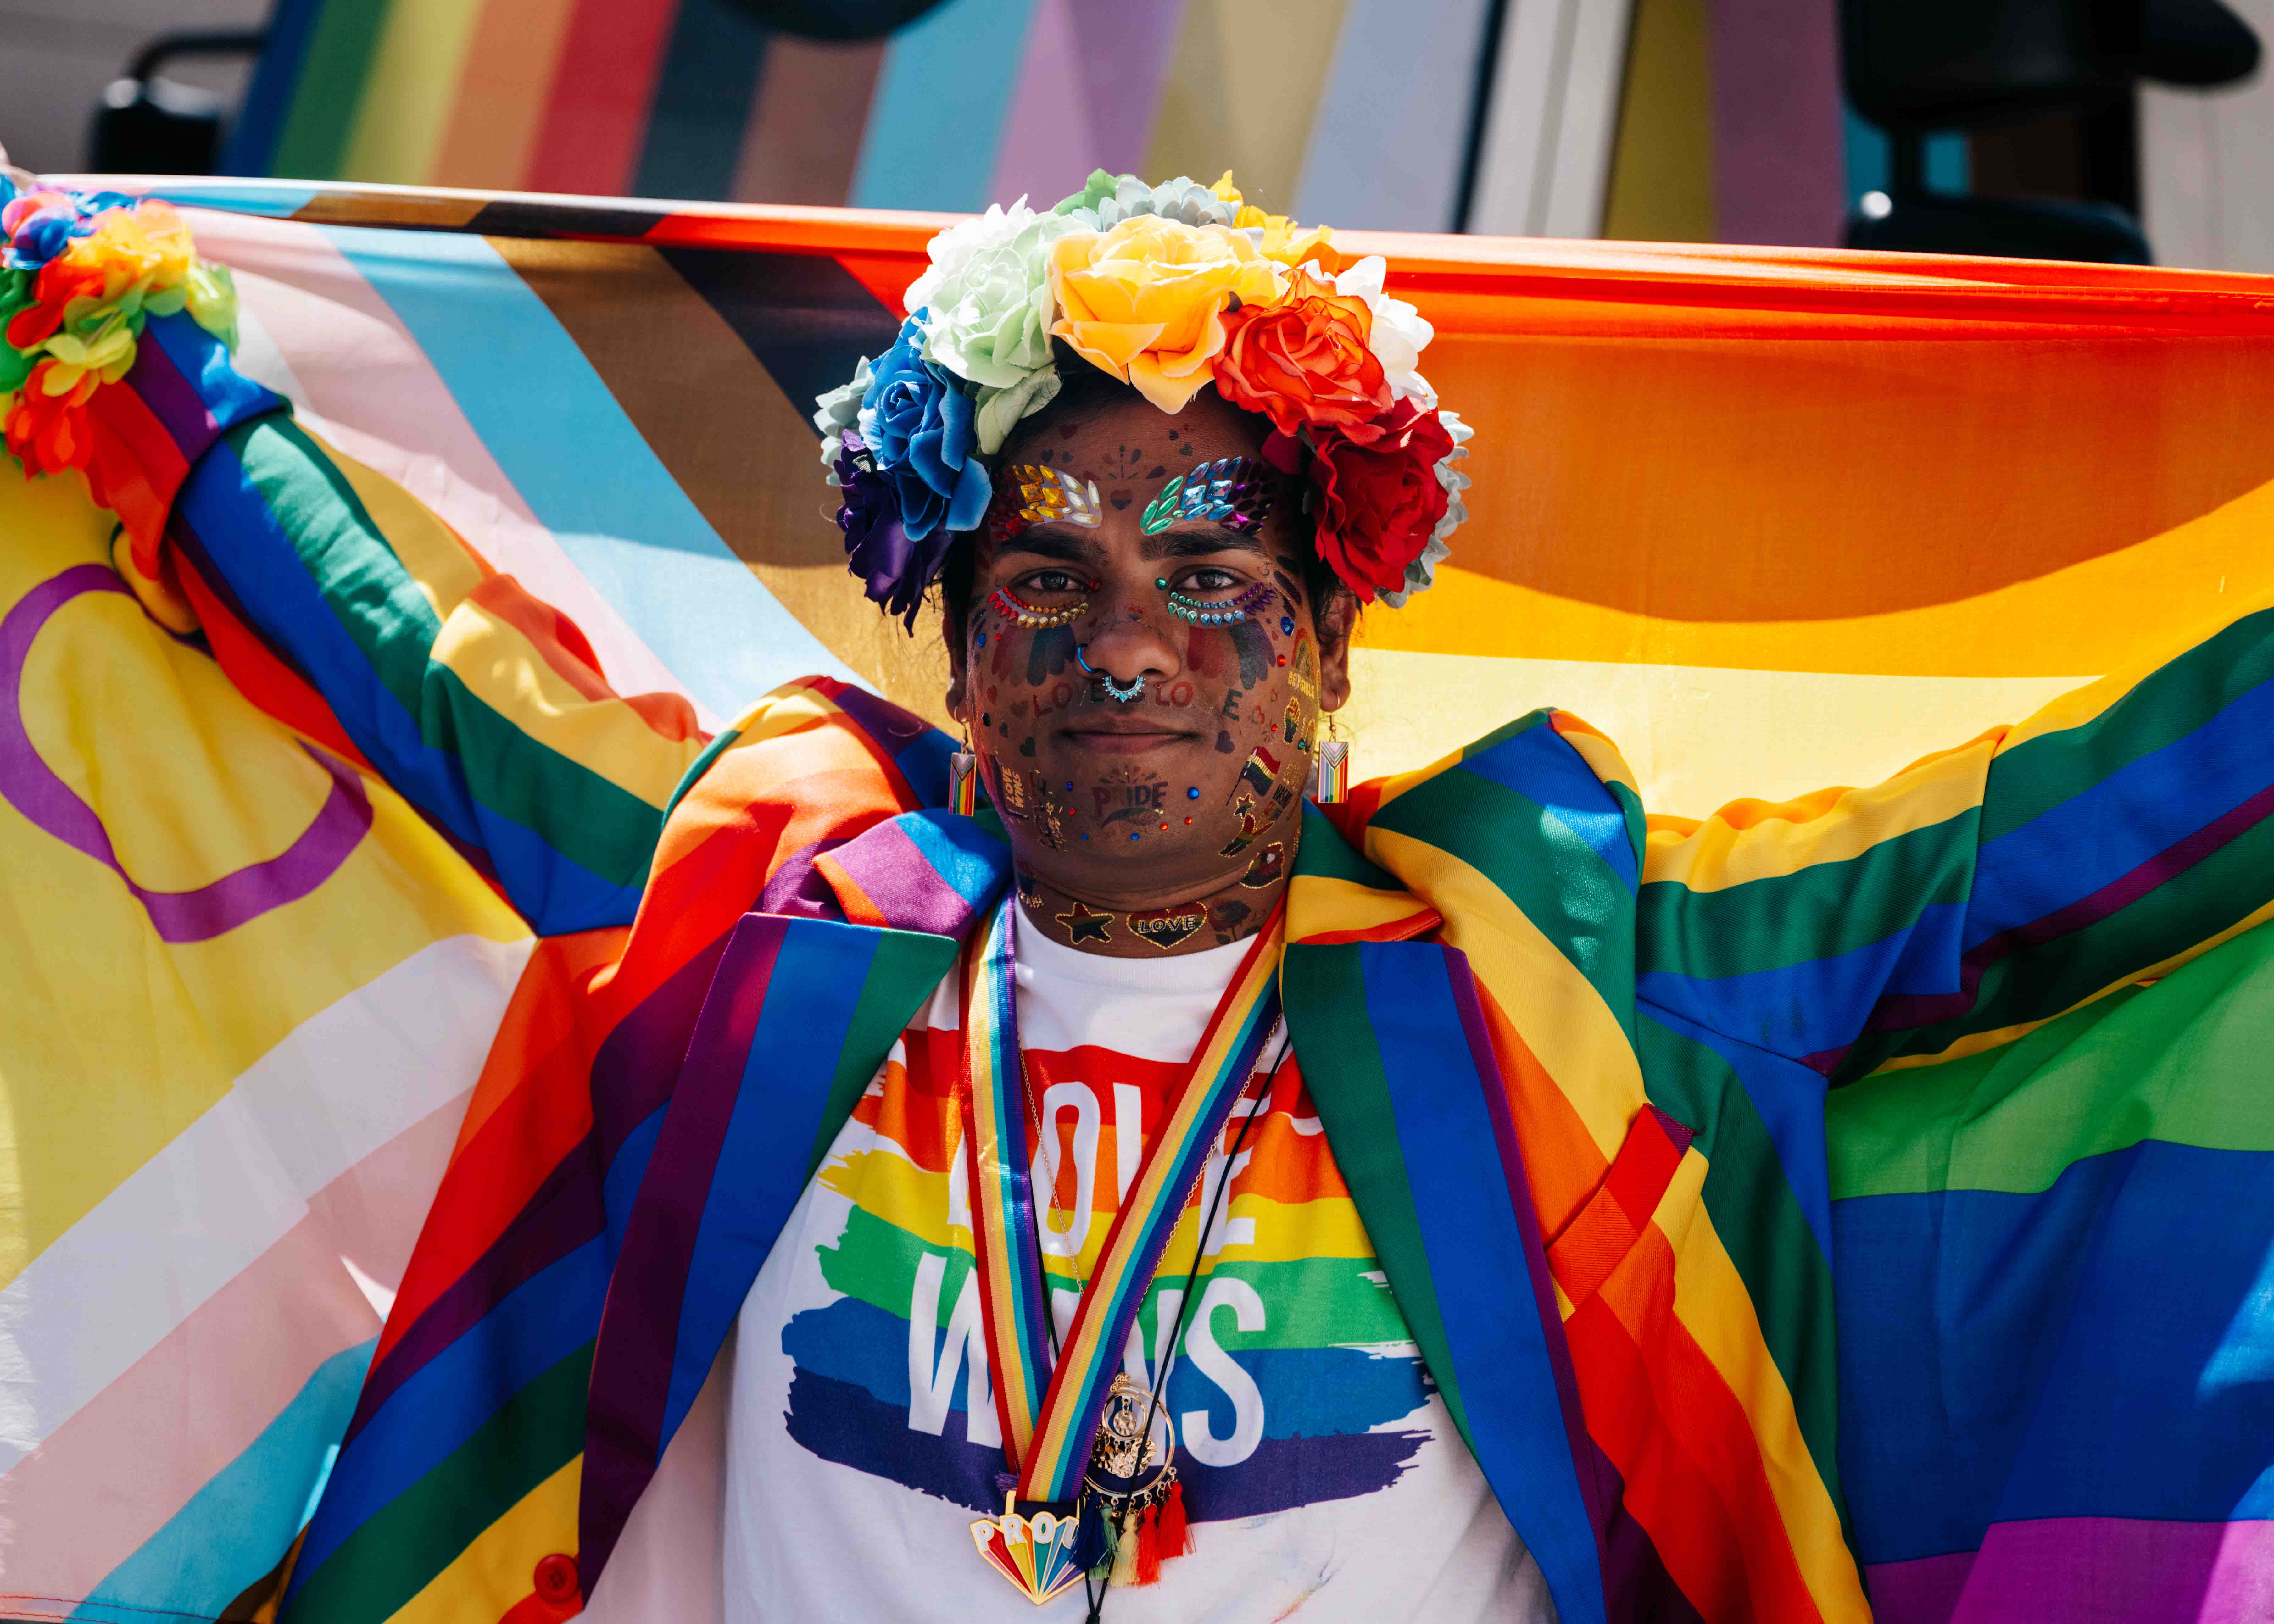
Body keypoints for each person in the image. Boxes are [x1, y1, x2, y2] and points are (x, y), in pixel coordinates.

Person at [10, 169, 2274, 1624]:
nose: (1127, 646)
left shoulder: (1567, 951)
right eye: (1045, 578)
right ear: (956, 642)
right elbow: (424, 676)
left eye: (1210, 575)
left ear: (1330, 646)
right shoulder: (773, 912)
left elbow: (2051, 838)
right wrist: (145, 362)